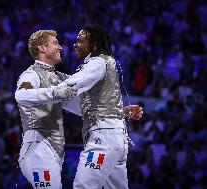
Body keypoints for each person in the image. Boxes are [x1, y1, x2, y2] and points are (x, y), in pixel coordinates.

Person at [55, 25, 143, 189]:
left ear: (93, 45)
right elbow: (88, 106)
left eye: (80, 41)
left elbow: (69, 87)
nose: (75, 45)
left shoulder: (98, 62)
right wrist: (121, 111)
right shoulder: (104, 64)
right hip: (115, 139)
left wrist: (43, 93)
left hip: (103, 139)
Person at [14, 30, 78, 189]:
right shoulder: (31, 74)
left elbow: (82, 107)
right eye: (55, 43)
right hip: (38, 150)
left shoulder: (58, 78)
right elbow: (21, 95)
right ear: (42, 48)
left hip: (53, 154)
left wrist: (119, 111)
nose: (61, 48)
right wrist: (55, 93)